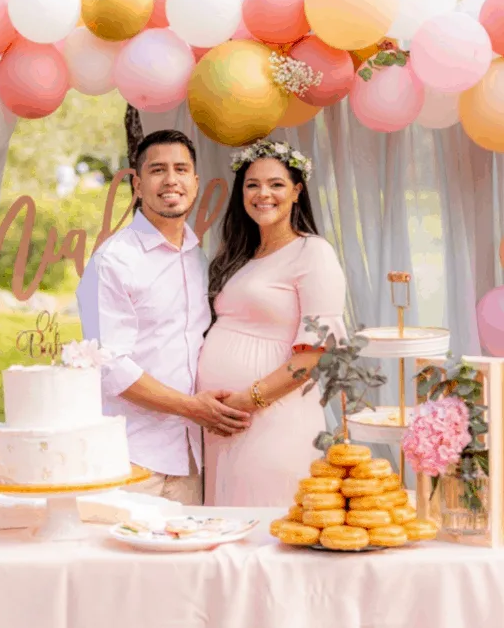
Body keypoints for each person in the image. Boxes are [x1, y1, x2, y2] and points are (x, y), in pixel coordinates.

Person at [77, 129, 250, 504]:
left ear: (195, 182)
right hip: (133, 458)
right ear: (138, 185)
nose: (171, 180)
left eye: (181, 169)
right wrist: (191, 408)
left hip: (193, 457)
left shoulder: (197, 256)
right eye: (157, 170)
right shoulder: (114, 262)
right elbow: (111, 368)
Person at [197, 138, 347, 507]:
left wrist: (248, 400)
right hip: (225, 423)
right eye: (252, 185)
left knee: (268, 527)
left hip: (273, 418)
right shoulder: (240, 258)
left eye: (276, 184)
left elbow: (315, 355)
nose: (263, 193)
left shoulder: (313, 252)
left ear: (297, 192)